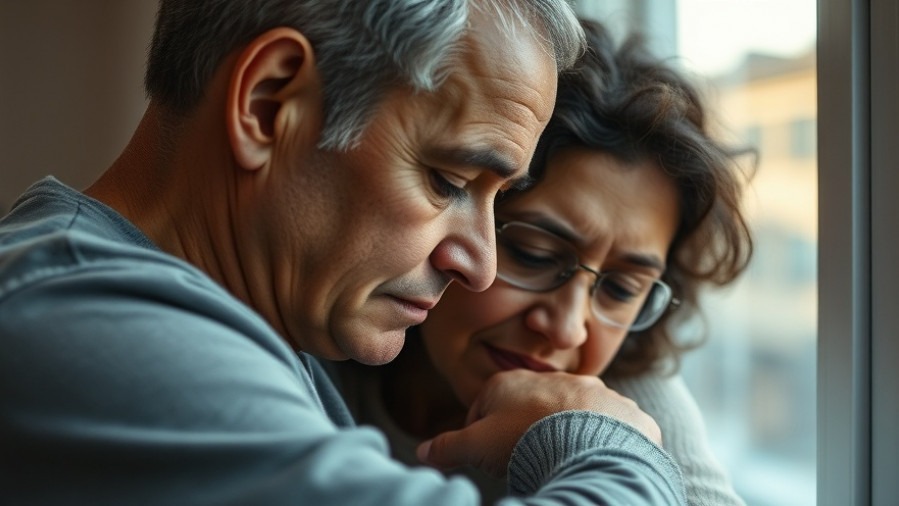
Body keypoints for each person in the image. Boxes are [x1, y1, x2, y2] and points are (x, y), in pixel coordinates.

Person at [0, 2, 688, 505]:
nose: (477, 262)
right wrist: (602, 439)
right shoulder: (91, 326)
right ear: (270, 105)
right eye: (448, 182)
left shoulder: (235, 313)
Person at [328, 18, 753, 505]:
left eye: (620, 288)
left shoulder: (633, 400)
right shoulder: (319, 334)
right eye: (535, 255)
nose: (567, 329)